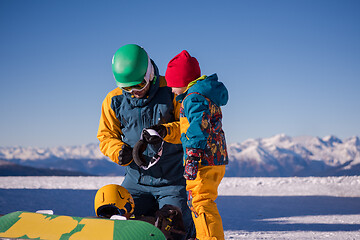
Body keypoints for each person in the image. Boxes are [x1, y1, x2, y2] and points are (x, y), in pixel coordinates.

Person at [97, 44, 195, 239]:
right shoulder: (113, 100)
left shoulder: (172, 91)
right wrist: (118, 151)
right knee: (119, 224)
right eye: (127, 88)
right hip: (135, 181)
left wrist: (165, 131)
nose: (134, 92)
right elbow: (105, 136)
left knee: (173, 227)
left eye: (139, 85)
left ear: (149, 73)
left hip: (172, 181)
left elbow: (187, 127)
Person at [164, 50, 229, 240]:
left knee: (201, 203)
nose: (171, 89)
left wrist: (192, 157)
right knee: (200, 203)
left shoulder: (193, 98)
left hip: (202, 161)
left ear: (181, 80)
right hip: (213, 159)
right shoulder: (203, 96)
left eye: (172, 84)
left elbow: (198, 127)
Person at [94, 184, 186, 240]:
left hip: (172, 185)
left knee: (179, 219)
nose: (112, 217)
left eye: (115, 212)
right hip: (136, 179)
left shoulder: (149, 223)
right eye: (105, 213)